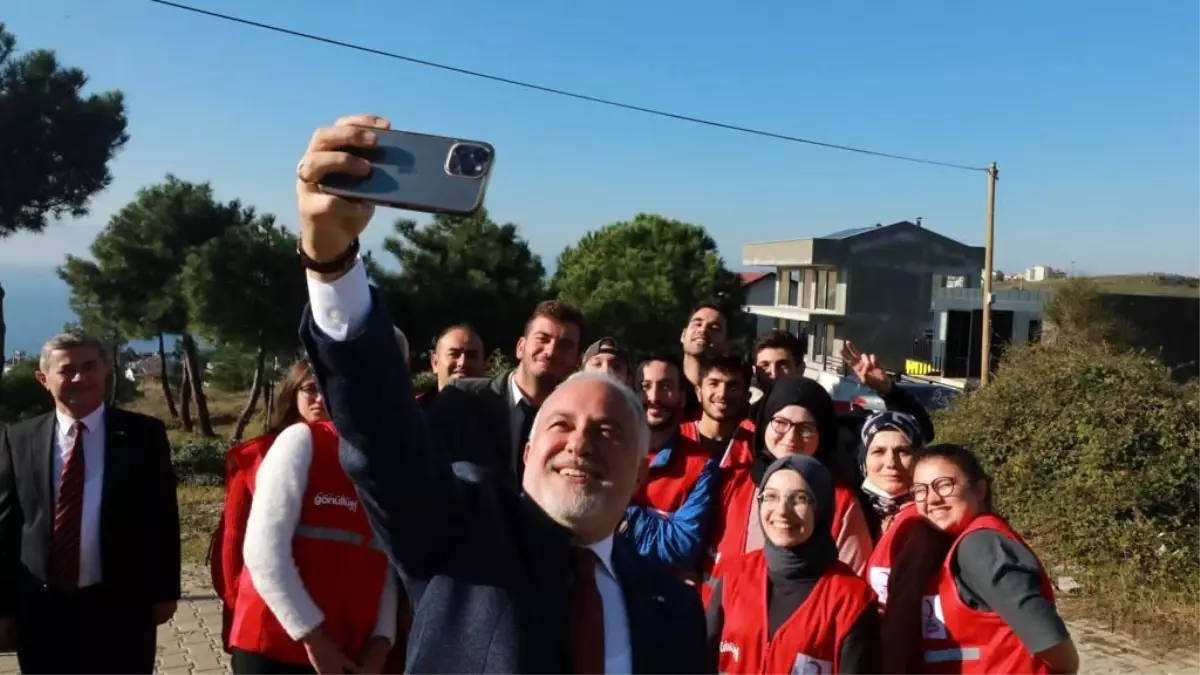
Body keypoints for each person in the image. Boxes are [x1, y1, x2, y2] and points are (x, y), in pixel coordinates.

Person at [292, 113, 710, 675]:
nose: (579, 442)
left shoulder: (676, 609)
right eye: (560, 425)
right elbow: (385, 441)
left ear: (639, 473)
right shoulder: (464, 537)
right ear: (528, 452)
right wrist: (334, 265)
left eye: (608, 431)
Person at [0, 332, 181, 674]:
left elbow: (161, 517)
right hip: (42, 608)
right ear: (44, 379)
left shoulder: (144, 435)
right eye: (67, 370)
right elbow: (7, 527)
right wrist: (3, 608)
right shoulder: (18, 438)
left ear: (105, 372)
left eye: (89, 367)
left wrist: (165, 592)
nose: (80, 378)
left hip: (122, 605)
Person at [234, 416, 399, 675]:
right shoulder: (304, 441)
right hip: (280, 649)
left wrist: (381, 643)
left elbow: (387, 562)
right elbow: (263, 553)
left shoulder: (390, 461)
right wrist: (315, 640)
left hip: (350, 654)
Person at [909, 444, 1078, 674]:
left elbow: (1052, 644)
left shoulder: (980, 546)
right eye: (920, 490)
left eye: (945, 485)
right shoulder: (964, 541)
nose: (932, 498)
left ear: (979, 489)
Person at [706, 455, 880, 674]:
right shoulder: (734, 576)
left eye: (799, 499)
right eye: (770, 497)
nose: (782, 511)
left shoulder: (851, 600)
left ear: (823, 507)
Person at [711, 376, 874, 578]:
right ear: (764, 424)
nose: (791, 438)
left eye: (805, 428)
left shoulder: (840, 501)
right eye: (780, 423)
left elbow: (852, 581)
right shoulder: (735, 483)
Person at [426, 300, 584, 482]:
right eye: (542, 339)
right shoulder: (460, 399)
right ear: (520, 347)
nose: (551, 351)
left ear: (577, 360)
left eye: (565, 345)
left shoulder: (579, 419)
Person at [620, 356, 719, 580]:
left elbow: (681, 547)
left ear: (682, 397)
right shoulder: (611, 448)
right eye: (645, 387)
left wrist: (617, 514)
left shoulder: (701, 466)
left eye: (666, 386)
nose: (654, 397)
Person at [416, 324, 486, 410]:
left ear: (484, 363)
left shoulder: (500, 411)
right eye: (453, 354)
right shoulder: (414, 412)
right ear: (435, 363)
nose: (462, 363)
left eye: (471, 356)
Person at [679, 302, 728, 420]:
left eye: (714, 328)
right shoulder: (662, 388)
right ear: (683, 335)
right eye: (697, 324)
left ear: (726, 344)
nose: (703, 329)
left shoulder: (728, 398)